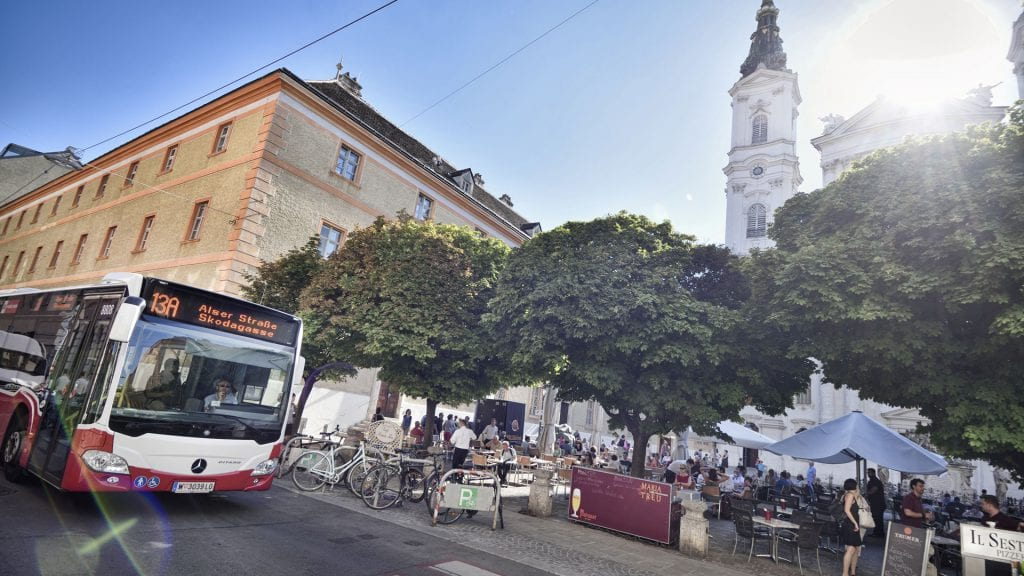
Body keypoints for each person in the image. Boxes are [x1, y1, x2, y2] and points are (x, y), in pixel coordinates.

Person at [841, 478, 864, 576]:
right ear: (854, 486)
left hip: (852, 524)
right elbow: (847, 510)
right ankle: (845, 573)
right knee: (851, 549)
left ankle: (853, 572)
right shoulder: (850, 495)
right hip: (851, 525)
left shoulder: (849, 495)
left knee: (855, 549)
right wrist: (855, 523)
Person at [865, 467, 886, 537]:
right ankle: (877, 533)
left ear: (873, 473)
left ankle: (879, 533)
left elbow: (874, 489)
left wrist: (866, 494)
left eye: (869, 472)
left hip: (878, 503)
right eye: (867, 473)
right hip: (876, 503)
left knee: (878, 519)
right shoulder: (872, 480)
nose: (868, 474)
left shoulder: (875, 481)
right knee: (877, 518)